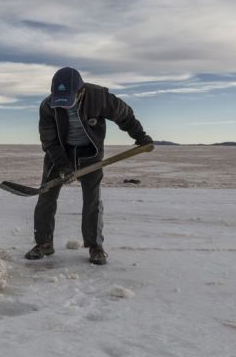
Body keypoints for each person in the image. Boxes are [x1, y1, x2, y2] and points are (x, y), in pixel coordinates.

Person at [25, 67, 152, 265]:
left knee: (92, 201)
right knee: (46, 196)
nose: (64, 105)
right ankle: (43, 243)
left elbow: (124, 115)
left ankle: (95, 246)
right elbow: (49, 141)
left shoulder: (99, 98)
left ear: (81, 91)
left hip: (90, 154)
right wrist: (63, 166)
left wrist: (140, 136)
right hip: (59, 153)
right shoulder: (48, 106)